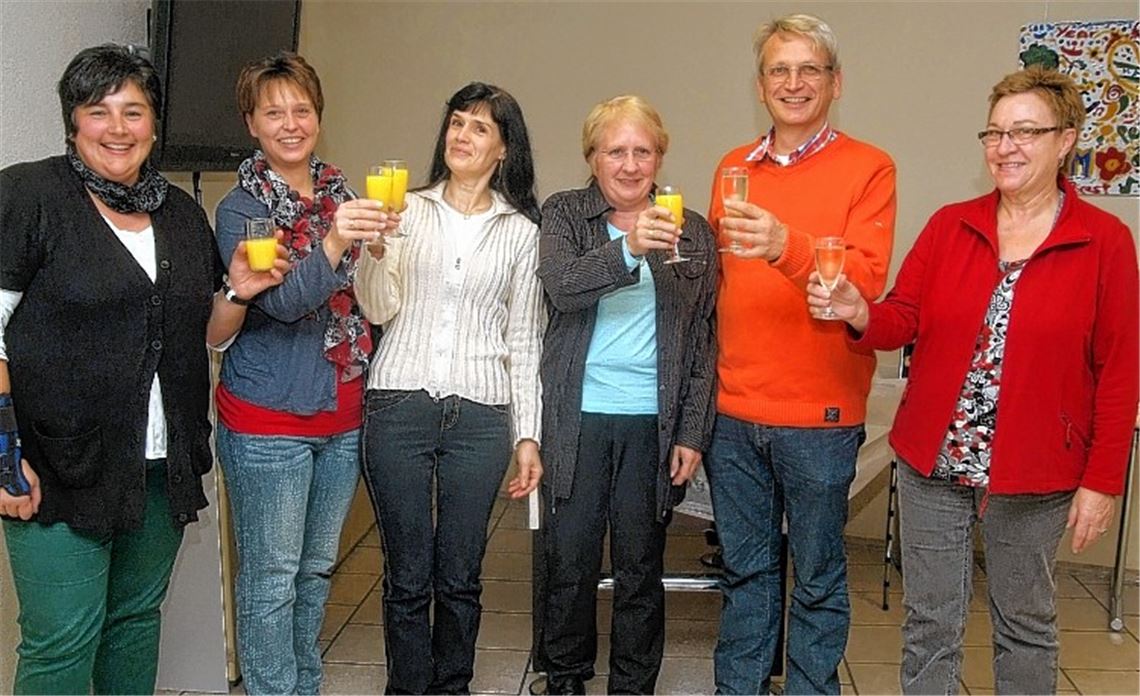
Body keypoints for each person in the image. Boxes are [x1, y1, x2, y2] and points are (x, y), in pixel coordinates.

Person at [807, 65, 1139, 695]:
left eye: (1024, 132)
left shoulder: (1105, 242)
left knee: (1026, 624)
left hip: (1038, 471)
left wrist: (1102, 481)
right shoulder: (950, 225)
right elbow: (903, 317)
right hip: (933, 462)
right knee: (930, 621)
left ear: (1066, 140)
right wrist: (859, 311)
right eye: (994, 133)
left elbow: (1119, 371)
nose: (1004, 147)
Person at [0, 44, 284, 695]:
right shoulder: (28, 195)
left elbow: (203, 335)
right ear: (72, 122)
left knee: (133, 623)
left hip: (161, 467)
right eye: (99, 112)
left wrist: (237, 290)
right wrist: (2, 451)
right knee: (61, 640)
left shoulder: (181, 215)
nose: (118, 128)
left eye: (134, 111)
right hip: (54, 467)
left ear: (155, 124)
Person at [704, 13, 897, 695]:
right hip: (733, 413)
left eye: (808, 69)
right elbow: (719, 283)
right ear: (760, 86)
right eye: (779, 70)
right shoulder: (732, 166)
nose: (793, 83)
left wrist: (785, 242)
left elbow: (862, 285)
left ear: (834, 83)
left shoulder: (870, 168)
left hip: (820, 417)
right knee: (745, 575)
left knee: (816, 578)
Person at [211, 52, 395, 695]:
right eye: (274, 112)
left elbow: (374, 304)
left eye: (302, 110)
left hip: (343, 415)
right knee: (270, 577)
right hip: (268, 419)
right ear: (251, 124)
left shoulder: (344, 196)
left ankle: (304, 686)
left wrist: (379, 250)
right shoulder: (241, 210)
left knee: (315, 571)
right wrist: (339, 242)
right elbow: (285, 304)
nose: (291, 123)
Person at [353, 81, 545, 694]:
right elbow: (377, 309)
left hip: (482, 414)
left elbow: (526, 341)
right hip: (399, 403)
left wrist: (528, 436)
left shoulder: (522, 232)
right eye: (457, 123)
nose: (462, 136)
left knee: (460, 573)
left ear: (503, 150)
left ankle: (452, 686)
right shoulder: (403, 210)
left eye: (480, 128)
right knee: (408, 574)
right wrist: (377, 251)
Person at [534, 95, 718, 695]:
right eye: (616, 151)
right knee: (570, 563)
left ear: (660, 157)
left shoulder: (692, 230)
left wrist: (692, 430)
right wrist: (629, 247)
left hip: (652, 425)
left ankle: (633, 686)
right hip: (578, 419)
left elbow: (703, 339)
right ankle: (564, 678)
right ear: (593, 157)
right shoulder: (563, 214)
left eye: (643, 151)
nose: (631, 164)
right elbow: (563, 288)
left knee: (641, 568)